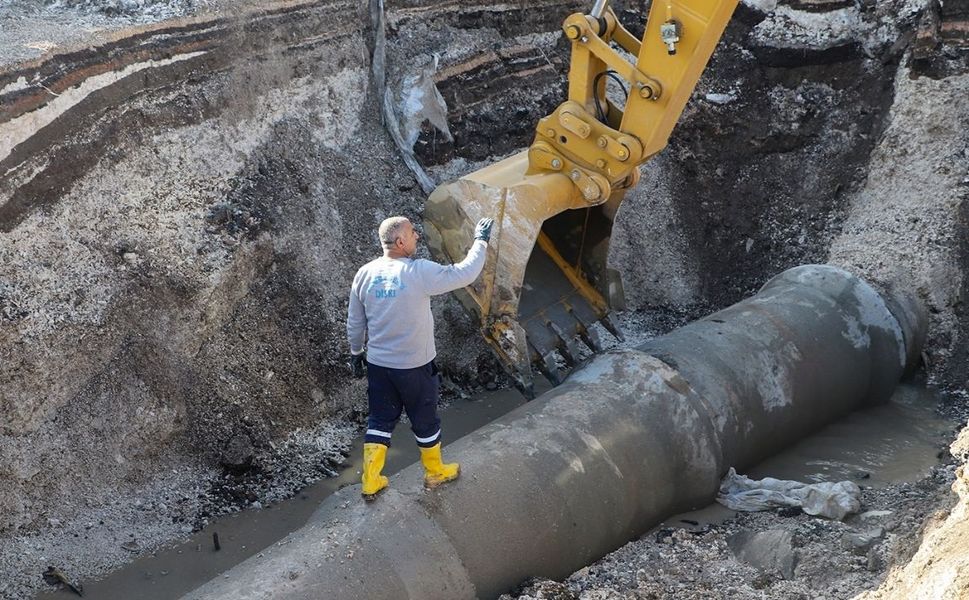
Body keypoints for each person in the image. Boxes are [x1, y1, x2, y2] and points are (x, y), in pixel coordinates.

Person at [347, 215, 493, 501]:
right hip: (414, 366)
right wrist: (481, 241)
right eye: (413, 233)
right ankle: (435, 471)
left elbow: (355, 321)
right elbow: (464, 274)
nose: (417, 236)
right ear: (400, 241)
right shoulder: (418, 272)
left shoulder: (364, 273)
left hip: (379, 366)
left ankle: (371, 480)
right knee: (424, 419)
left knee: (380, 419)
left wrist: (355, 353)